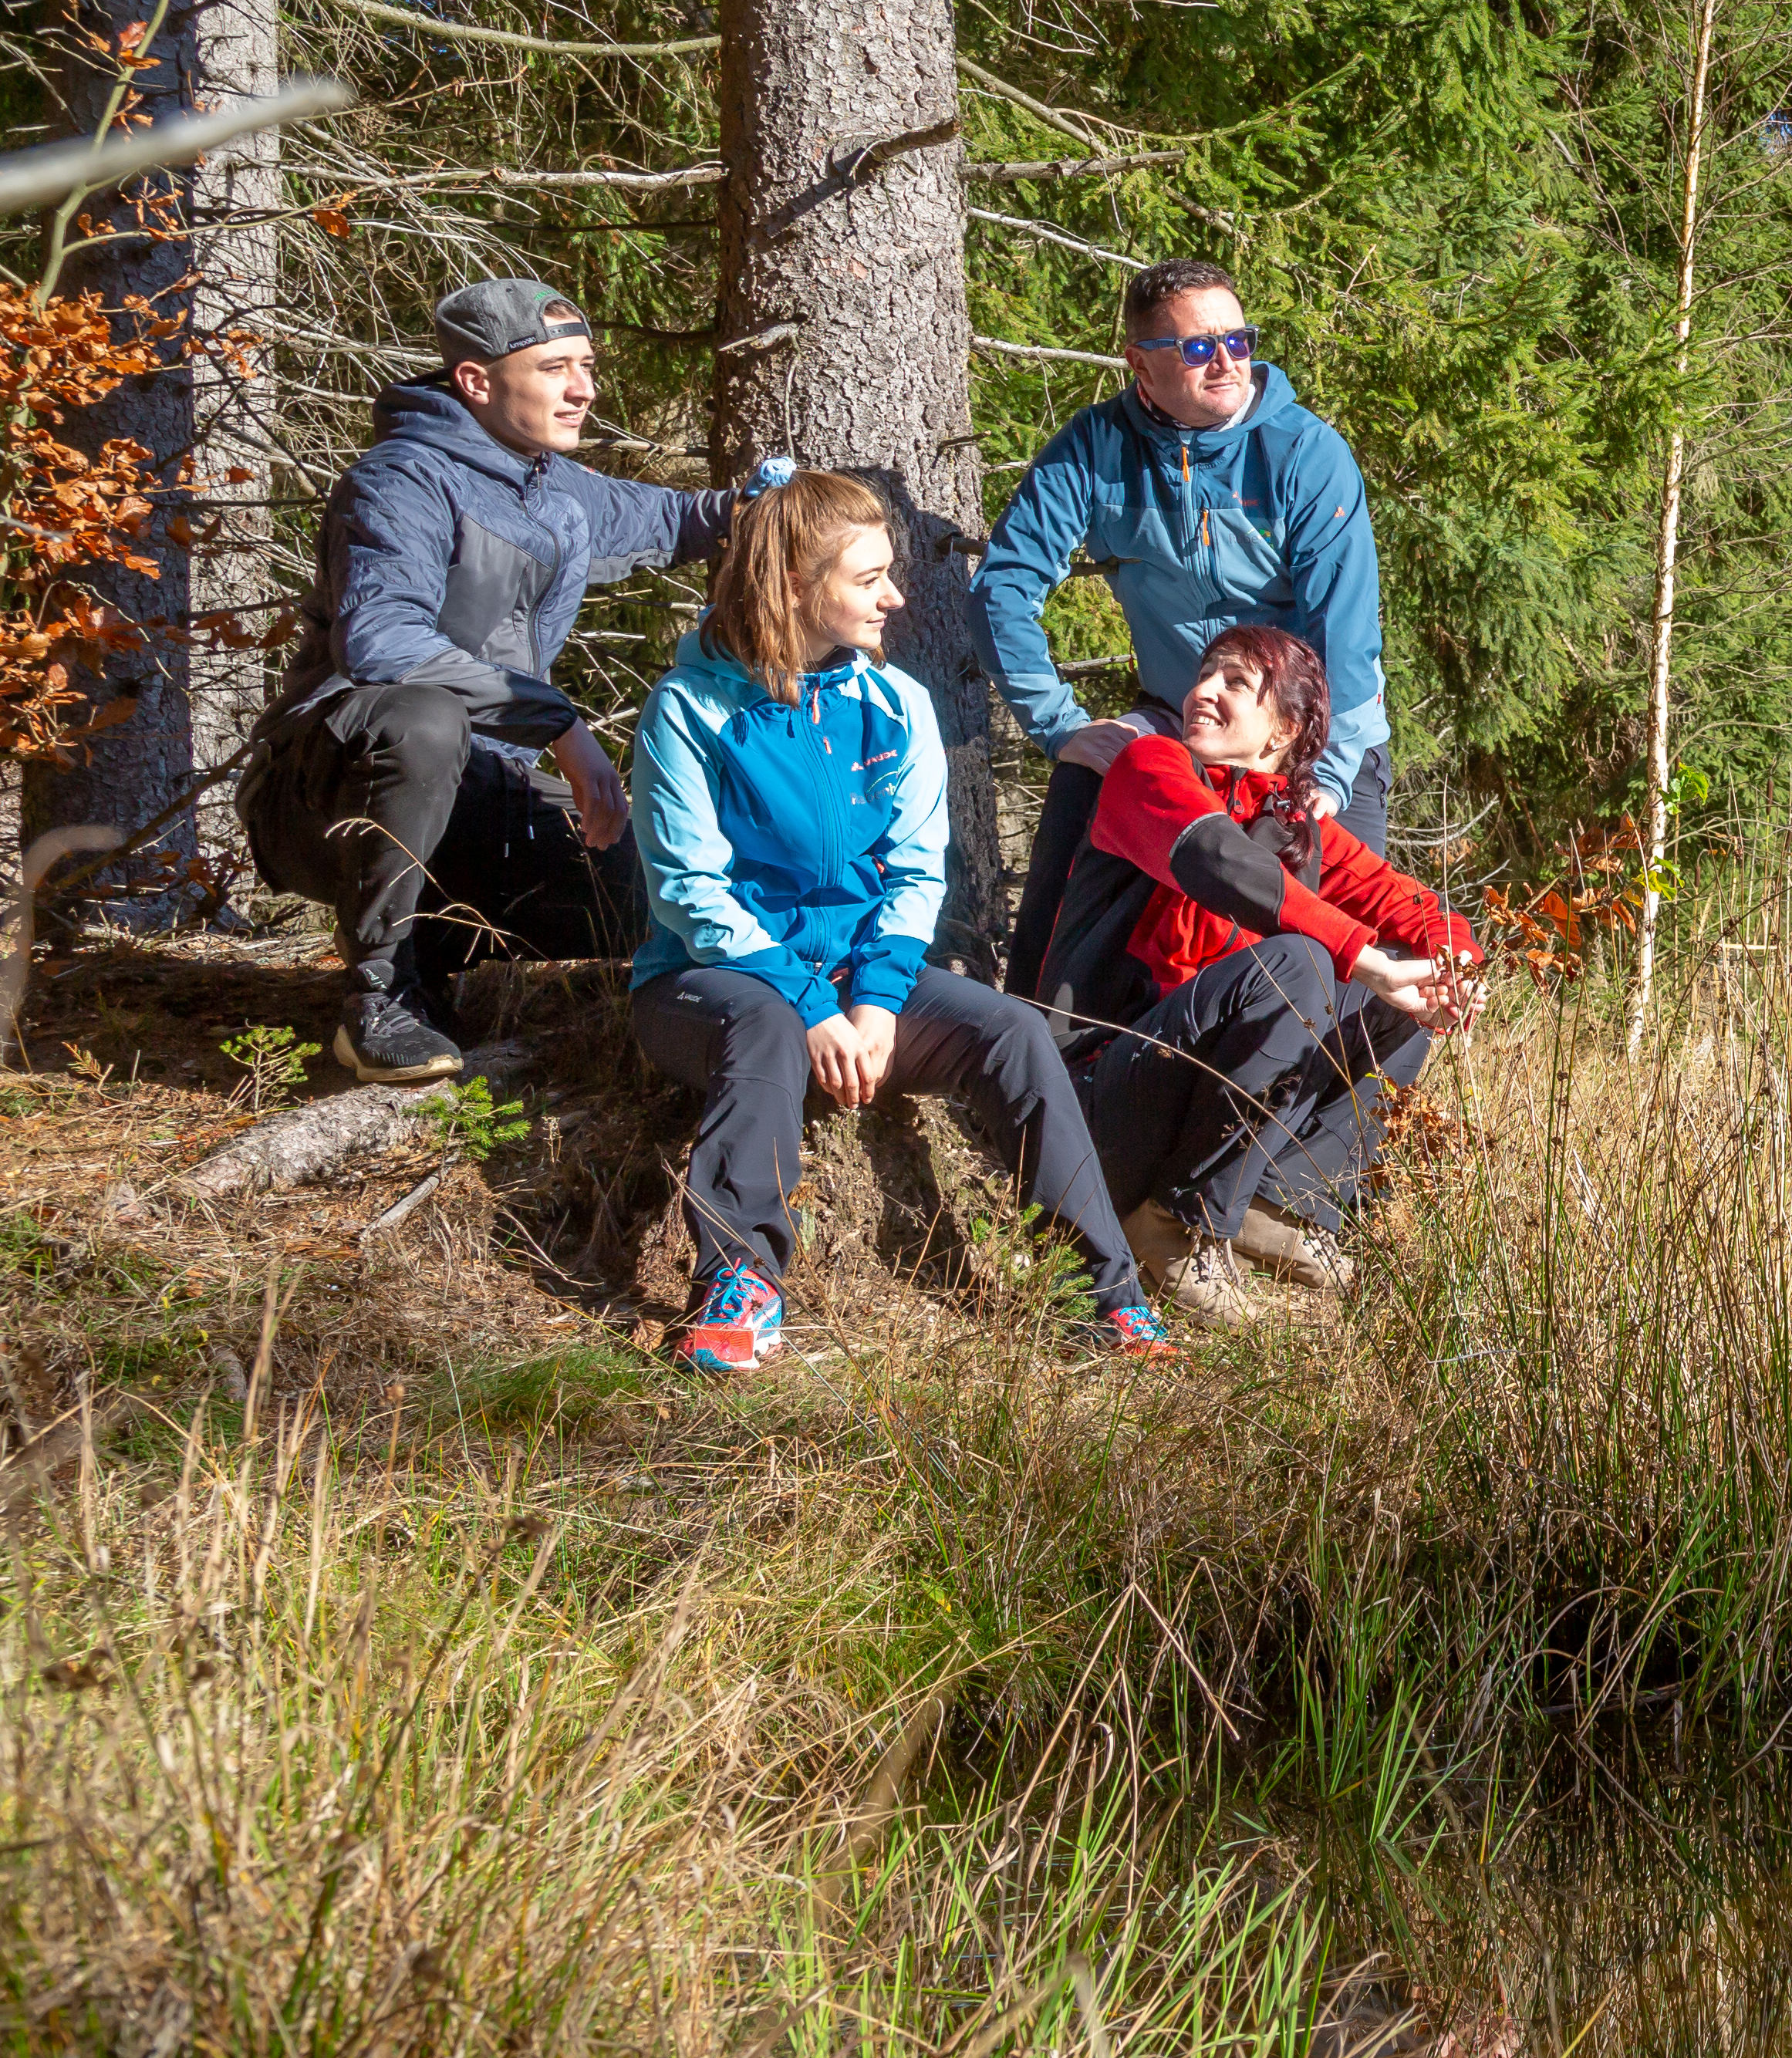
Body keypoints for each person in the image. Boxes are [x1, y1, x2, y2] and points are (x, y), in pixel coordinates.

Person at [629, 471, 1172, 1375]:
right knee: (763, 1019)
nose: (895, 597)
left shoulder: (894, 705)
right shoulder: (689, 712)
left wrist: (876, 1005)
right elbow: (690, 893)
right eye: (868, 578)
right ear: (797, 587)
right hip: (708, 986)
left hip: (857, 985)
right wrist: (811, 1004)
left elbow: (915, 876)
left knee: (1010, 1034)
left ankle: (1104, 1298)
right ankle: (740, 1287)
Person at [242, 277, 780, 1084]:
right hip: (325, 790)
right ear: (476, 381)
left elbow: (675, 520)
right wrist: (557, 723)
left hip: (482, 790)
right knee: (422, 722)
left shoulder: (550, 483)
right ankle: (382, 999)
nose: (584, 389)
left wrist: (769, 508)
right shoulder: (400, 482)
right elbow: (381, 643)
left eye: (588, 365)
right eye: (556, 368)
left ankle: (427, 937)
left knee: (653, 895)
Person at [1030, 622, 1476, 1323]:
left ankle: (1279, 1204)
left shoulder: (1300, 830)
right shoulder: (1148, 768)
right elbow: (1216, 859)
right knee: (1299, 961)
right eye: (1205, 674)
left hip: (1181, 1097)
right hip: (1090, 1102)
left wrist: (1454, 969)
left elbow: (1416, 906)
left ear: (1286, 731)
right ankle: (1174, 1222)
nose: (1202, 691)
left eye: (1234, 682)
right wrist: (1359, 953)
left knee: (1403, 996)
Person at [977, 257, 1392, 1000]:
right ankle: (1029, 1052)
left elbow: (1348, 637)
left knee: (1343, 951)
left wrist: (1319, 773)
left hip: (1314, 735)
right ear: (1140, 363)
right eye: (1198, 348)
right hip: (1179, 716)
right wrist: (1059, 725)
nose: (1228, 361)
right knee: (1081, 795)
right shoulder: (1097, 449)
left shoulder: (1304, 454)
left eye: (1239, 340)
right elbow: (1003, 586)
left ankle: (1333, 1104)